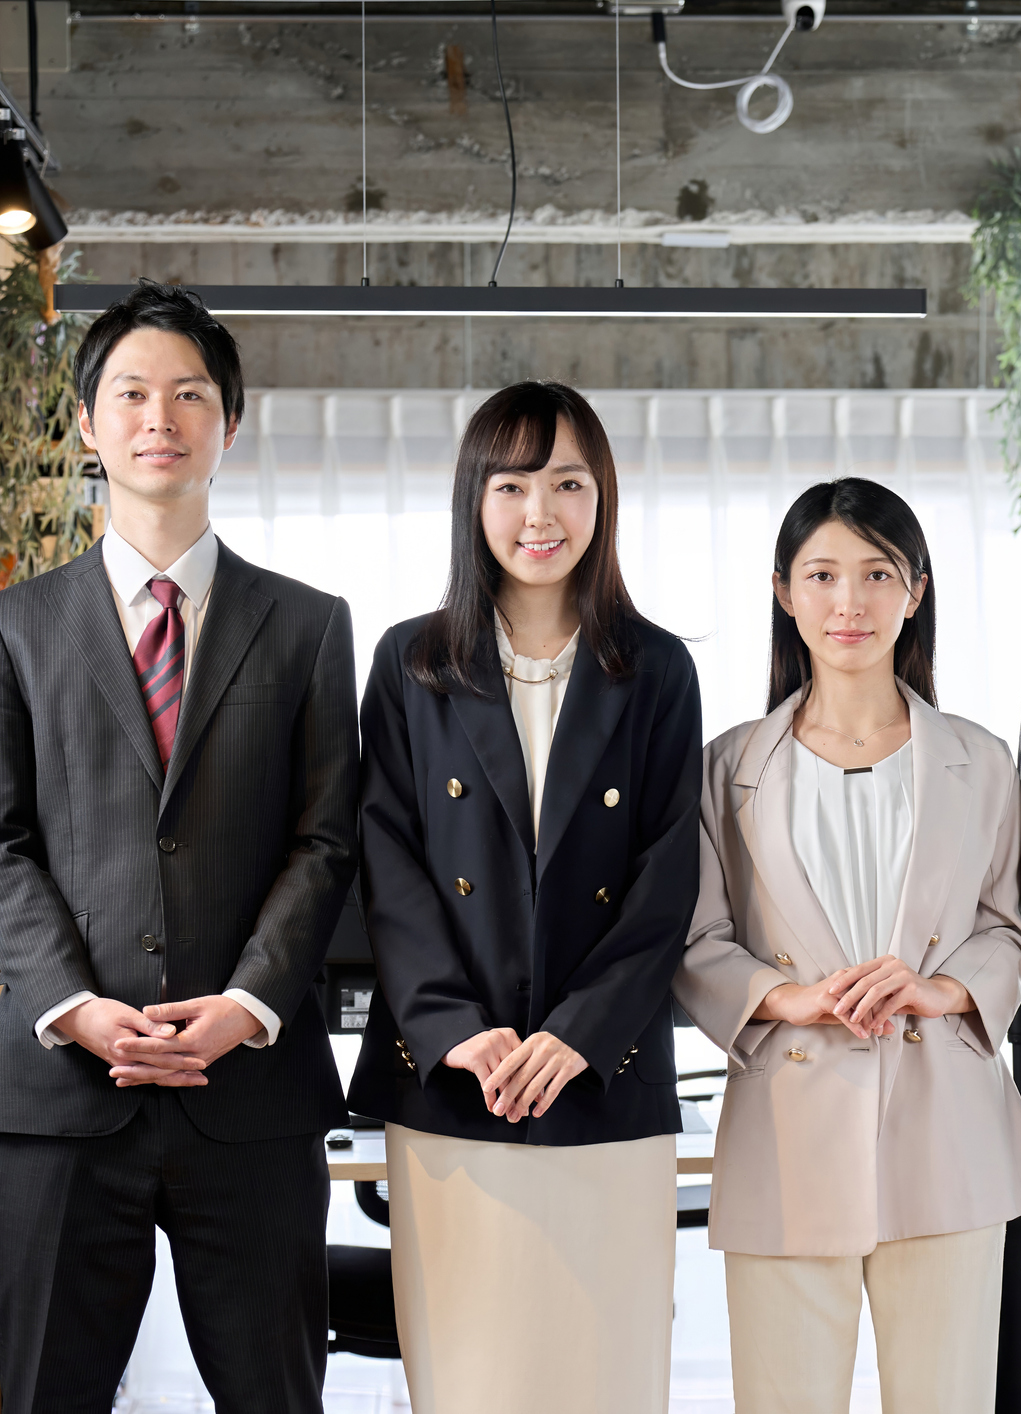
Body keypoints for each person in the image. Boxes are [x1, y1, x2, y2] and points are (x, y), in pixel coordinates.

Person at [0, 282, 358, 1412]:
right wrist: (75, 1006)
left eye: (190, 394)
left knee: (277, 1394)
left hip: (252, 1093)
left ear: (231, 422)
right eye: (131, 392)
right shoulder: (15, 625)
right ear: (87, 423)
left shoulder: (308, 624)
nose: (160, 418)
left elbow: (325, 842)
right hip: (63, 1091)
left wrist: (245, 1005)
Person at [344, 380, 702, 1414]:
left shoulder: (658, 670)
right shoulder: (412, 664)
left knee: (608, 1375)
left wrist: (580, 1034)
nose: (539, 513)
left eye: (567, 483)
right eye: (512, 484)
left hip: (607, 1085)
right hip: (458, 1086)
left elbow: (667, 878)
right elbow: (391, 862)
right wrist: (461, 1031)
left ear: (604, 500)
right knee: (469, 1379)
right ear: (474, 499)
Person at [675, 478, 1021, 1414]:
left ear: (914, 591)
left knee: (947, 1400)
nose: (849, 603)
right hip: (786, 1127)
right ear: (783, 591)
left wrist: (944, 988)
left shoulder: (981, 759)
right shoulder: (725, 767)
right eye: (822, 575)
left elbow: (1015, 928)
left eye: (877, 574)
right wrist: (785, 996)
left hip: (947, 1128)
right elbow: (693, 939)